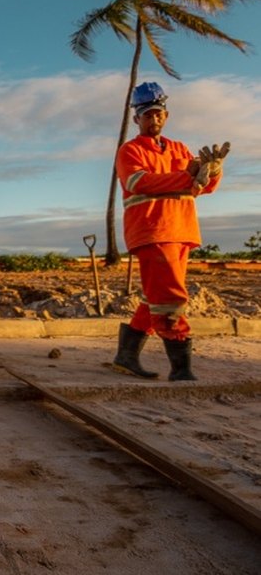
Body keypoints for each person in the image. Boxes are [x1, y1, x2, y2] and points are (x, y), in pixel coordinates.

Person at [111, 81, 228, 382]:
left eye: (158, 113)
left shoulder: (179, 149)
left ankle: (126, 356)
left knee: (155, 297)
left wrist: (212, 171)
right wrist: (186, 176)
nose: (154, 119)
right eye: (147, 114)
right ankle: (181, 369)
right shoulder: (130, 151)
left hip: (181, 230)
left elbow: (199, 187)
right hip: (152, 232)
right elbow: (139, 182)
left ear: (166, 114)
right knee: (170, 299)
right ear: (136, 118)